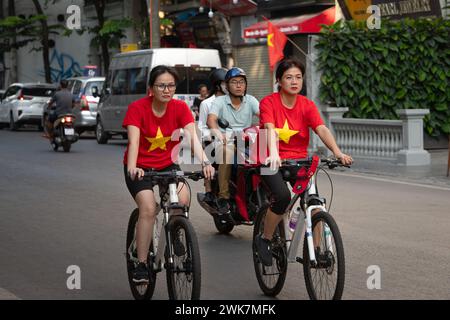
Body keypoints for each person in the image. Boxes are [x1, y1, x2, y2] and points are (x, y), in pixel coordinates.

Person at [254, 58, 353, 266]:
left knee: (314, 202)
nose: (294, 81)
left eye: (298, 77)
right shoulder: (268, 103)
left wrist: (337, 152)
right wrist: (273, 153)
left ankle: (315, 252)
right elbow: (270, 129)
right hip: (270, 161)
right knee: (281, 198)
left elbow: (321, 128)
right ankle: (265, 239)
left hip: (299, 161)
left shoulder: (307, 104)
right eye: (289, 77)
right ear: (279, 80)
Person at [123, 65, 215, 283]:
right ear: (151, 88)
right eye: (161, 85)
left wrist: (205, 162)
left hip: (166, 165)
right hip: (140, 167)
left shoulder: (180, 107)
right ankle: (142, 263)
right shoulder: (137, 108)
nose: (167, 89)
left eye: (171, 85)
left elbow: (193, 138)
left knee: (182, 200)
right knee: (147, 208)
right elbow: (134, 141)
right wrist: (133, 166)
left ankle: (175, 231)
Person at [207, 67, 260, 216]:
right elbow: (211, 120)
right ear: (227, 86)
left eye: (242, 82)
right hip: (226, 141)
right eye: (234, 82)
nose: (238, 85)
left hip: (247, 141)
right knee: (226, 152)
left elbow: (264, 115)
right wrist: (218, 133)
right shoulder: (220, 101)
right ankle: (223, 196)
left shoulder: (251, 100)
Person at [197, 68, 228, 204]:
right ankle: (209, 191)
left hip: (234, 140)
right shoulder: (206, 104)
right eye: (226, 83)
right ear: (217, 85)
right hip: (214, 141)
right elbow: (202, 128)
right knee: (208, 152)